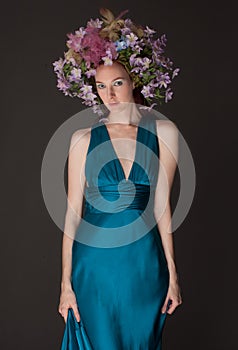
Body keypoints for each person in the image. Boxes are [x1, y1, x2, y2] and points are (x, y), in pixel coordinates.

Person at [54, 8, 182, 350]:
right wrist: (65, 284)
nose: (109, 95)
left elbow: (162, 206)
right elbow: (71, 214)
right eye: (100, 86)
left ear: (135, 80)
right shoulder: (81, 139)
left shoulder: (164, 132)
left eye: (117, 83)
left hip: (143, 265)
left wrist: (172, 273)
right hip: (93, 265)